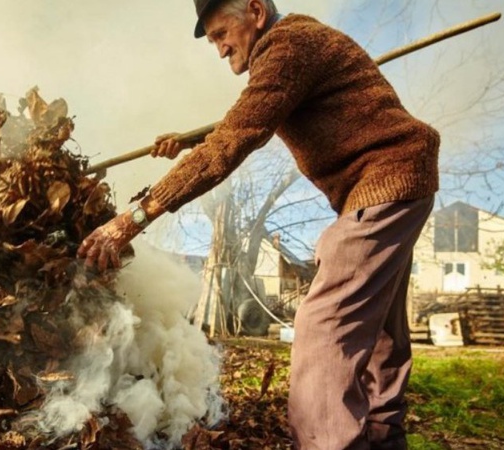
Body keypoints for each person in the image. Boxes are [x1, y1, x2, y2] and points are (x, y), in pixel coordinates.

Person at [77, 0, 439, 448]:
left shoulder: (287, 47)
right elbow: (235, 124)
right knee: (379, 329)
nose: (220, 48)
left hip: (384, 181)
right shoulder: (294, 48)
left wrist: (133, 217)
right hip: (406, 179)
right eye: (212, 40)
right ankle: (384, 438)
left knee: (324, 327)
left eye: (221, 33)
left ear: (255, 10)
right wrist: (187, 140)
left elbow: (234, 139)